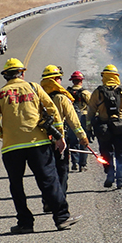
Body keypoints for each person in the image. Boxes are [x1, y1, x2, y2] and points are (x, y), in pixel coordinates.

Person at [0, 57, 77, 233]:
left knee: (16, 185)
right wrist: (60, 136)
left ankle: (25, 224)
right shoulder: (34, 87)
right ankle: (61, 218)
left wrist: (2, 134)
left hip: (11, 147)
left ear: (5, 76)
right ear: (23, 73)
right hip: (39, 144)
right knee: (49, 181)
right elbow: (52, 110)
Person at [40, 64, 90, 199]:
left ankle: (47, 200)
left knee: (46, 172)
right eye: (59, 78)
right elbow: (73, 120)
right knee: (61, 171)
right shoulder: (61, 98)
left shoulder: (36, 97)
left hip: (39, 142)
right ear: (56, 80)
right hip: (59, 140)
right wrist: (82, 136)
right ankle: (59, 200)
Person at [87, 63, 122, 189]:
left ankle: (109, 174)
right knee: (121, 154)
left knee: (106, 153)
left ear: (104, 77)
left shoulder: (98, 93)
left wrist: (88, 129)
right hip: (121, 128)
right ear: (116, 77)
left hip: (104, 130)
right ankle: (120, 180)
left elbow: (91, 112)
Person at [66, 70, 91, 172]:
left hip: (71, 120)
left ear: (73, 81)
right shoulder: (85, 93)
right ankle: (82, 165)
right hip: (83, 119)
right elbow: (92, 106)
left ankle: (74, 163)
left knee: (73, 142)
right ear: (81, 81)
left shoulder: (67, 92)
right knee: (83, 141)